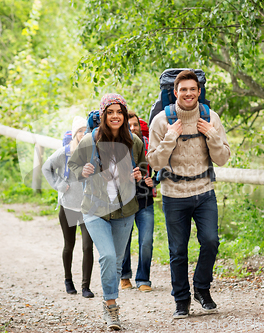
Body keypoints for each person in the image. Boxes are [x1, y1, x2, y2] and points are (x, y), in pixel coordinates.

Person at [147, 70, 231, 319]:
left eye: (193, 89)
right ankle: (181, 300)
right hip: (174, 194)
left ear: (199, 91)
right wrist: (171, 137)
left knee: (211, 241)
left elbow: (223, 158)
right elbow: (154, 162)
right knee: (178, 250)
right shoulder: (161, 121)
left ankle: (202, 290)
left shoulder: (210, 117)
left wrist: (212, 136)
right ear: (175, 92)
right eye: (183, 89)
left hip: (204, 192)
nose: (188, 94)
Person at [68, 93, 146, 330]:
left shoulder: (135, 142)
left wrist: (140, 174)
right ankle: (111, 307)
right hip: (95, 209)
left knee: (117, 261)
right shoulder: (89, 141)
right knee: (108, 256)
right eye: (110, 112)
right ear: (103, 115)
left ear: (124, 115)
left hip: (125, 210)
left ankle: (109, 296)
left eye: (119, 112)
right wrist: (83, 171)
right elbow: (72, 169)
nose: (115, 116)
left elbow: (143, 167)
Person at [42, 116, 95, 298]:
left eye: (85, 130)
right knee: (69, 245)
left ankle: (86, 286)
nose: (83, 134)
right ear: (74, 134)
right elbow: (46, 168)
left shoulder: (92, 152)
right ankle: (68, 280)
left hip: (87, 207)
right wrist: (58, 185)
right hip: (68, 206)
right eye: (79, 131)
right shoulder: (64, 153)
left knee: (88, 246)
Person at [120, 112, 155, 292]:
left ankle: (143, 278)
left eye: (135, 125)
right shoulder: (119, 146)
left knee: (146, 240)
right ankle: (124, 276)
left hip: (145, 200)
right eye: (129, 126)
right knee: (124, 240)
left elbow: (163, 166)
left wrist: (154, 180)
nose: (132, 129)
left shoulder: (149, 145)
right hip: (125, 201)